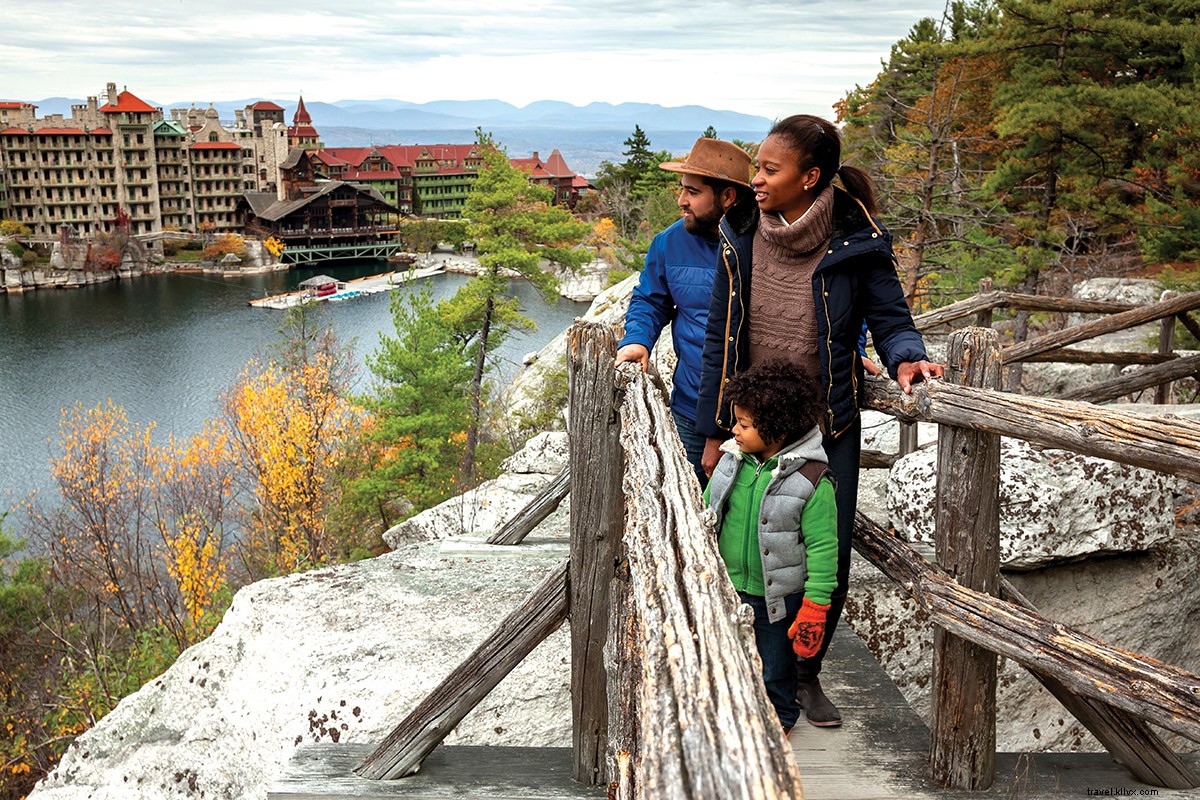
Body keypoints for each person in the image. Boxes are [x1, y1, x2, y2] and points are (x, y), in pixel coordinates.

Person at [695, 114, 943, 727]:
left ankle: (806, 673)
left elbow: (889, 313)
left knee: (818, 550)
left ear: (810, 177)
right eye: (756, 166)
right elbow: (720, 339)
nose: (755, 179)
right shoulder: (742, 230)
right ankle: (752, 667)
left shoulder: (856, 237)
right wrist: (714, 429)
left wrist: (906, 358)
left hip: (824, 424)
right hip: (751, 422)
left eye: (769, 170)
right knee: (747, 541)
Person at [703, 361, 837, 736]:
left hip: (778, 597)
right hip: (727, 586)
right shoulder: (733, 462)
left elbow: (825, 549)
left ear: (777, 428)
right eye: (736, 421)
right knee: (729, 657)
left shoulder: (813, 481)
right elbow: (707, 509)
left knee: (776, 667)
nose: (734, 430)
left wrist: (815, 606)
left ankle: (779, 723)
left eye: (744, 424)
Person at [615, 137, 753, 486]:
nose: (681, 201)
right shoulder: (669, 242)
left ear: (727, 197)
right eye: (682, 189)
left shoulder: (765, 242)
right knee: (691, 508)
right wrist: (637, 340)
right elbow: (651, 299)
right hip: (692, 408)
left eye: (692, 192)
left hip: (760, 417)